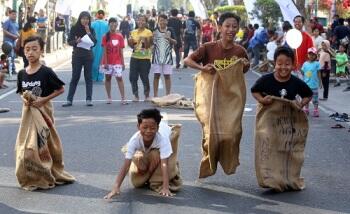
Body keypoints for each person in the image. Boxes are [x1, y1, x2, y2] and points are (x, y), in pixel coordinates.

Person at [184, 12, 250, 178]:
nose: (231, 29)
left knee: (232, 132)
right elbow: (187, 60)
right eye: (227, 26)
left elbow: (243, 71)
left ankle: (228, 162)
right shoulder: (208, 48)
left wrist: (245, 65)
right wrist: (202, 68)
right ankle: (208, 161)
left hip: (230, 100)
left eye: (234, 26)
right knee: (210, 135)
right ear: (219, 27)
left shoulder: (240, 51)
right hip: (209, 99)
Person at [15, 36, 75, 190]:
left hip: (44, 114)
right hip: (28, 117)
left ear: (41, 51)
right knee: (28, 148)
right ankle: (32, 177)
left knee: (44, 147)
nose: (30, 52)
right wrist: (25, 99)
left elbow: (60, 89)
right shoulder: (22, 73)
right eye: (27, 49)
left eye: (35, 49)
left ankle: (48, 173)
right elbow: (21, 92)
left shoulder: (46, 72)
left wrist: (43, 100)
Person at [104, 108, 174, 199]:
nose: (148, 131)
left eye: (152, 128)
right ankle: (140, 156)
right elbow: (126, 166)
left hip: (168, 135)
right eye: (145, 127)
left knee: (159, 157)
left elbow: (164, 164)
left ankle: (156, 174)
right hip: (143, 147)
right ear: (138, 126)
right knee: (137, 183)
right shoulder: (134, 140)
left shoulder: (163, 139)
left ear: (157, 128)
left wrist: (165, 187)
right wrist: (116, 187)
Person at [62, 11, 97, 107]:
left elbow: (94, 43)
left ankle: (89, 99)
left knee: (88, 78)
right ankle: (69, 100)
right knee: (75, 77)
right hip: (77, 56)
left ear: (89, 20)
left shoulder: (91, 29)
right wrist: (76, 41)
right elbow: (69, 41)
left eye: (87, 19)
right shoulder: (74, 28)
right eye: (83, 18)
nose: (85, 20)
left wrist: (88, 32)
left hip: (88, 56)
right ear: (80, 19)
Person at [100, 18, 127, 104]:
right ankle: (109, 97)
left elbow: (121, 52)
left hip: (117, 61)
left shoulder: (120, 36)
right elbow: (104, 51)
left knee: (119, 78)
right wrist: (106, 63)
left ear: (117, 25)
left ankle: (123, 98)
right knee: (108, 78)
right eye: (111, 23)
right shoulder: (105, 36)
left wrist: (123, 63)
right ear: (109, 25)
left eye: (115, 23)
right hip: (108, 62)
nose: (113, 25)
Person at [128, 15, 153, 102]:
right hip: (134, 57)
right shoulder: (133, 32)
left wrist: (145, 40)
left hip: (145, 58)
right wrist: (130, 42)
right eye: (139, 20)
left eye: (143, 20)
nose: (141, 22)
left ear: (146, 22)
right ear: (137, 21)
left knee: (144, 77)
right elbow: (132, 47)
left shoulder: (148, 32)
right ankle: (136, 95)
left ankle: (147, 95)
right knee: (132, 77)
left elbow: (148, 46)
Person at [152, 14, 177, 97]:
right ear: (158, 21)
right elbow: (152, 43)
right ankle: (155, 96)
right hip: (157, 57)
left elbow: (176, 42)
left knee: (167, 76)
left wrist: (169, 38)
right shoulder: (155, 30)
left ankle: (168, 95)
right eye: (161, 20)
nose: (162, 22)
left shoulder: (170, 30)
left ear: (167, 21)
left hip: (167, 57)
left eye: (164, 20)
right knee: (156, 75)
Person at [301, 47, 322, 117]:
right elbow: (302, 73)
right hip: (306, 85)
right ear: (308, 55)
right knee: (306, 98)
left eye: (313, 54)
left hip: (314, 85)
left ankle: (316, 110)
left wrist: (320, 82)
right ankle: (306, 109)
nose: (311, 56)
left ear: (316, 55)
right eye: (310, 54)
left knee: (315, 99)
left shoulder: (317, 64)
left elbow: (319, 73)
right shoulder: (305, 64)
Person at [91, 10, 109, 82]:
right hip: (103, 45)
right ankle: (100, 77)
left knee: (94, 60)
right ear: (104, 16)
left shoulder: (92, 24)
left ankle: (93, 77)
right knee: (102, 60)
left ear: (97, 15)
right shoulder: (107, 25)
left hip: (94, 45)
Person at [2, 9, 19, 75]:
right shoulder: (7, 22)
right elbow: (5, 31)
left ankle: (8, 68)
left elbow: (16, 32)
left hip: (14, 42)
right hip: (7, 42)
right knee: (10, 56)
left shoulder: (16, 23)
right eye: (13, 14)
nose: (14, 16)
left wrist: (19, 36)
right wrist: (12, 36)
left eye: (15, 14)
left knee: (13, 56)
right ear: (9, 14)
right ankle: (12, 70)